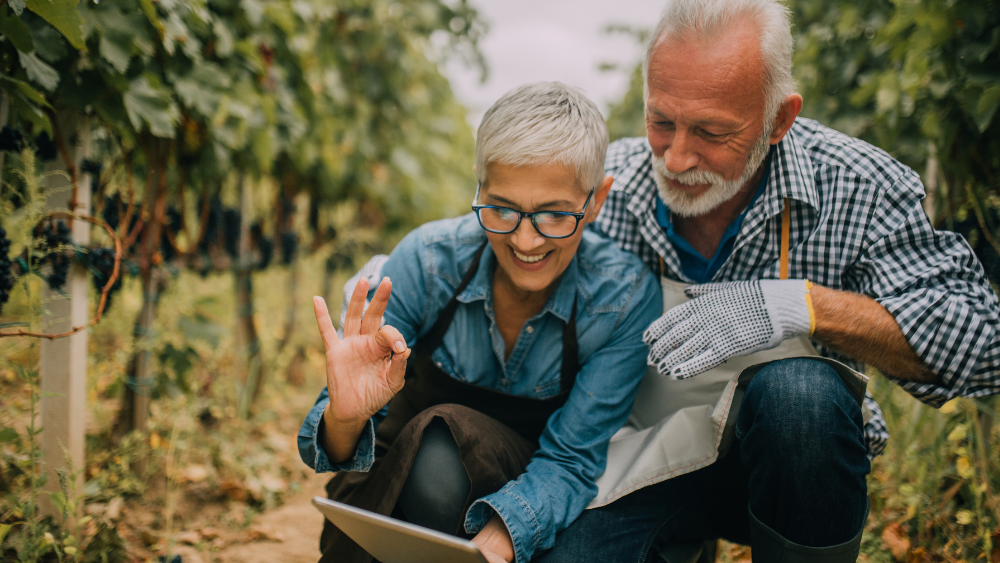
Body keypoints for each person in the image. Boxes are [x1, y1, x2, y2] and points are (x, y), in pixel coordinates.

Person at [532, 0, 1000, 562]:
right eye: (661, 121)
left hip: (790, 466)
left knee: (801, 397)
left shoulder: (856, 186)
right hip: (640, 464)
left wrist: (805, 305)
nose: (677, 158)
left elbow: (983, 343)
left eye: (711, 132)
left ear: (780, 119)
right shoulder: (607, 185)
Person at [297, 82, 662, 563]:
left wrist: (501, 538)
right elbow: (330, 449)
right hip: (390, 488)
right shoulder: (427, 262)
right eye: (502, 209)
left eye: (554, 215)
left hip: (528, 492)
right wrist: (345, 418)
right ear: (479, 183)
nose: (526, 241)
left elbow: (572, 459)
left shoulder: (623, 298)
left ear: (595, 201)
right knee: (435, 451)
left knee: (444, 446)